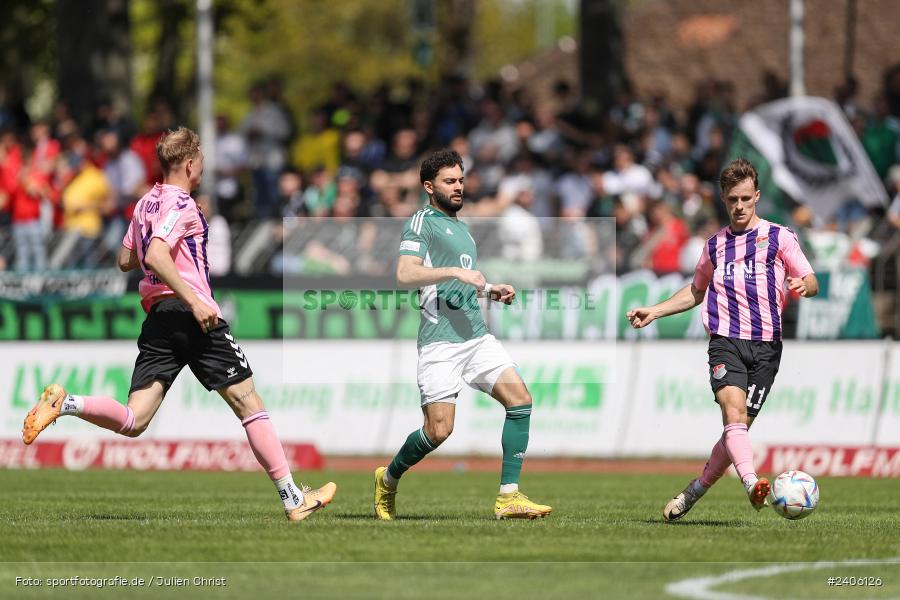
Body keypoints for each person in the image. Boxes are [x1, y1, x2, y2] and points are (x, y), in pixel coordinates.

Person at [22, 127, 335, 521]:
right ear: (189, 164)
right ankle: (293, 499)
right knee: (249, 404)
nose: (202, 166)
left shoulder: (145, 203)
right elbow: (155, 255)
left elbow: (125, 259)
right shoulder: (182, 205)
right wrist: (193, 298)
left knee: (135, 419)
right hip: (192, 315)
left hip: (159, 318)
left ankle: (66, 403)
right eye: (201, 160)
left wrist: (168, 246)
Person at [626, 158, 818, 521]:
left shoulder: (780, 237)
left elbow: (810, 278)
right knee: (733, 413)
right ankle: (752, 484)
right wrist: (655, 310)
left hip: (767, 347)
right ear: (724, 199)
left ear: (757, 196)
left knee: (736, 431)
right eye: (733, 199)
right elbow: (696, 291)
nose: (739, 206)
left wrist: (803, 285)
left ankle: (694, 491)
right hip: (726, 341)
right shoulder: (715, 246)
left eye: (745, 198)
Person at [373, 149, 552, 521]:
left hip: (476, 336)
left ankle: (509, 497)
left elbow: (460, 282)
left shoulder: (462, 228)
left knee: (520, 400)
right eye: (449, 181)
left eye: (460, 180)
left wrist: (489, 290)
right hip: (440, 341)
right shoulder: (422, 222)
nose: (458, 187)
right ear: (429, 186)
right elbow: (406, 274)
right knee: (438, 431)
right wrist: (455, 272)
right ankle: (388, 478)